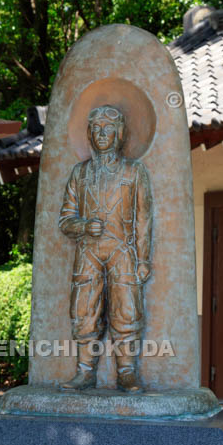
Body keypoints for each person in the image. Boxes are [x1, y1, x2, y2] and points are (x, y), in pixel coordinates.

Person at [58, 105, 153, 392]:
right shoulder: (80, 173)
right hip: (87, 250)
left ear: (120, 133)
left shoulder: (134, 172)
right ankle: (85, 371)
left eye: (108, 128)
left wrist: (143, 258)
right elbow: (65, 219)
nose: (102, 134)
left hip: (123, 250)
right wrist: (83, 225)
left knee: (126, 310)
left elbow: (143, 218)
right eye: (96, 128)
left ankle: (126, 371)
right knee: (84, 310)